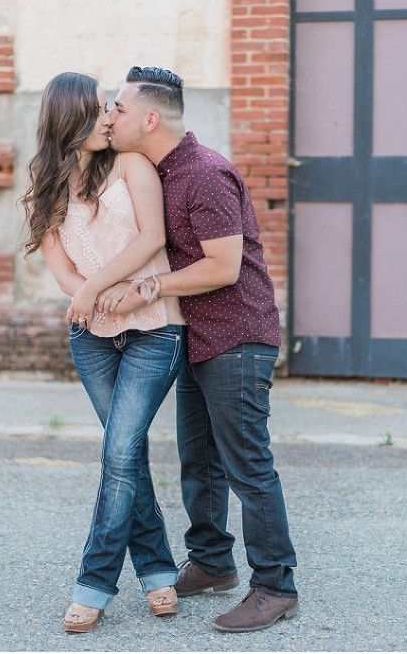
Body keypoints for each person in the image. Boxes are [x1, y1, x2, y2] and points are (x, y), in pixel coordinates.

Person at [108, 66, 299, 633]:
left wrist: (150, 288)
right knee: (201, 462)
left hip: (237, 338)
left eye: (117, 109)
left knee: (247, 467)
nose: (109, 117)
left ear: (149, 117)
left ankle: (276, 586)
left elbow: (223, 265)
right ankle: (214, 563)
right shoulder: (159, 172)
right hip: (198, 337)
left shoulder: (205, 174)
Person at [21, 71, 187, 634]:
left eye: (109, 109)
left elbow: (152, 238)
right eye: (96, 111)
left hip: (155, 329)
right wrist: (89, 294)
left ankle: (93, 583)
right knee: (128, 455)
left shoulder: (132, 165)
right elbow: (64, 272)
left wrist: (97, 291)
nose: (108, 119)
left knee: (118, 455)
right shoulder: (47, 184)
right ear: (68, 120)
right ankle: (160, 573)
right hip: (91, 340)